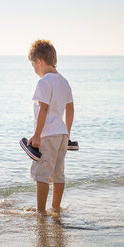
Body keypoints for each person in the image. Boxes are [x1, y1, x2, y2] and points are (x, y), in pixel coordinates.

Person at [27, 40, 74, 215]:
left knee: (42, 173)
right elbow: (70, 108)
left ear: (39, 61)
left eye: (33, 65)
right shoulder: (64, 81)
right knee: (58, 173)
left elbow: (43, 108)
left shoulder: (44, 82)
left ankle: (41, 211)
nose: (34, 70)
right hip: (62, 134)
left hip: (47, 135)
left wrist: (37, 135)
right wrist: (67, 133)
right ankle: (55, 208)